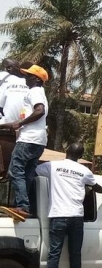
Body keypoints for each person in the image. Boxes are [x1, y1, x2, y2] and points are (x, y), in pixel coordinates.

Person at [34, 143, 102, 268]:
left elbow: (34, 170)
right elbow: (95, 187)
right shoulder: (84, 171)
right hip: (76, 217)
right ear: (80, 156)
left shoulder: (52, 166)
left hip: (58, 216)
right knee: (75, 252)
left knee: (54, 253)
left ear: (66, 151)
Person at [0, 64, 49, 220]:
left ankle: (22, 205)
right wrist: (11, 124)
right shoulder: (40, 92)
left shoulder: (34, 91)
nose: (25, 78)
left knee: (15, 170)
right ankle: (23, 206)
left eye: (28, 76)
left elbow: (39, 111)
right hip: (39, 141)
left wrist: (20, 123)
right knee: (27, 173)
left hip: (29, 139)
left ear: (36, 79)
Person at [0, 59, 26, 124]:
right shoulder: (20, 80)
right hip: (10, 122)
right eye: (18, 69)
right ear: (9, 68)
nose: (19, 72)